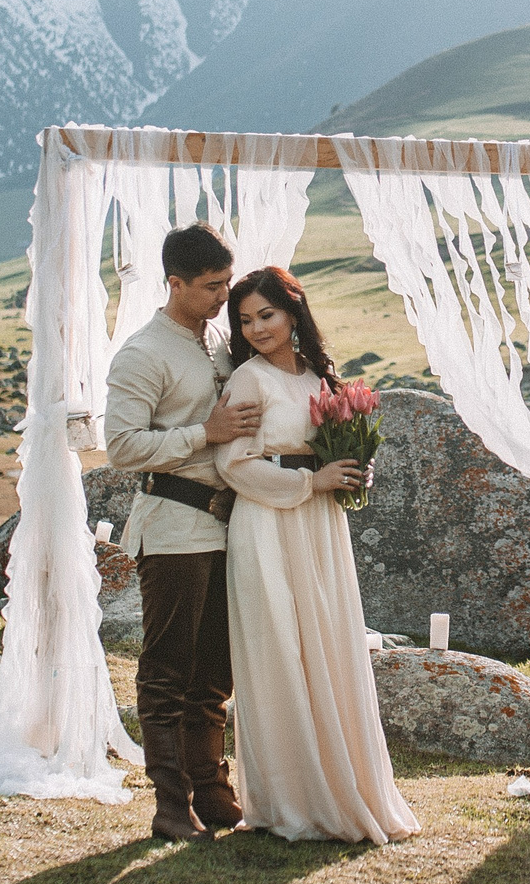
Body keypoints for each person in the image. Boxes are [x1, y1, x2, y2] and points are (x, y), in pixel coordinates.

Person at [216, 267, 418, 844]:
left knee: (328, 644)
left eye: (267, 315)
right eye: (245, 320)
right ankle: (291, 800)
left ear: (293, 312)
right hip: (268, 522)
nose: (257, 329)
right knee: (280, 647)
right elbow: (233, 465)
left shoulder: (318, 377)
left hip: (320, 526)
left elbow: (329, 445)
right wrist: (312, 481)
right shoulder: (248, 380)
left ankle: (345, 783)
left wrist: (353, 469)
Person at [103, 223, 264, 842]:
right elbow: (121, 446)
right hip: (172, 528)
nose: (225, 295)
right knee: (168, 670)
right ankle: (171, 806)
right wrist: (205, 434)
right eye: (212, 285)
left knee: (215, 670)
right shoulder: (143, 353)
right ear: (175, 283)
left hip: (227, 525)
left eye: (227, 281)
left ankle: (213, 792)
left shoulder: (219, 340)